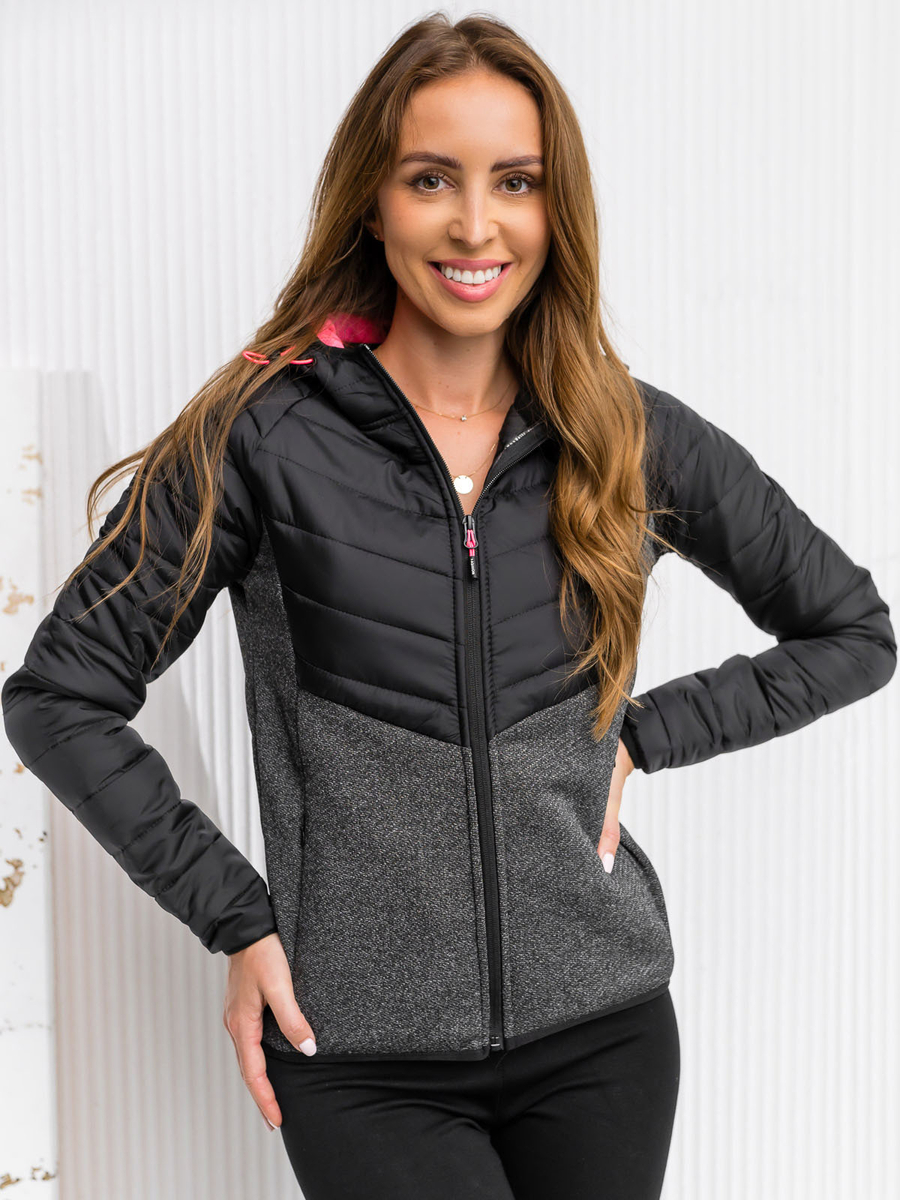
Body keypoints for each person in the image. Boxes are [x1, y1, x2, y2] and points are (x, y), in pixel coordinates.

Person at [2, 12, 895, 1200]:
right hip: (362, 1056)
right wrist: (237, 917)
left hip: (605, 1032)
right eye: (432, 179)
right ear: (373, 204)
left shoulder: (623, 431)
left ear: (555, 210)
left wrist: (644, 734)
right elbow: (59, 696)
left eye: (515, 181)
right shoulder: (261, 437)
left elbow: (853, 633)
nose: (477, 225)